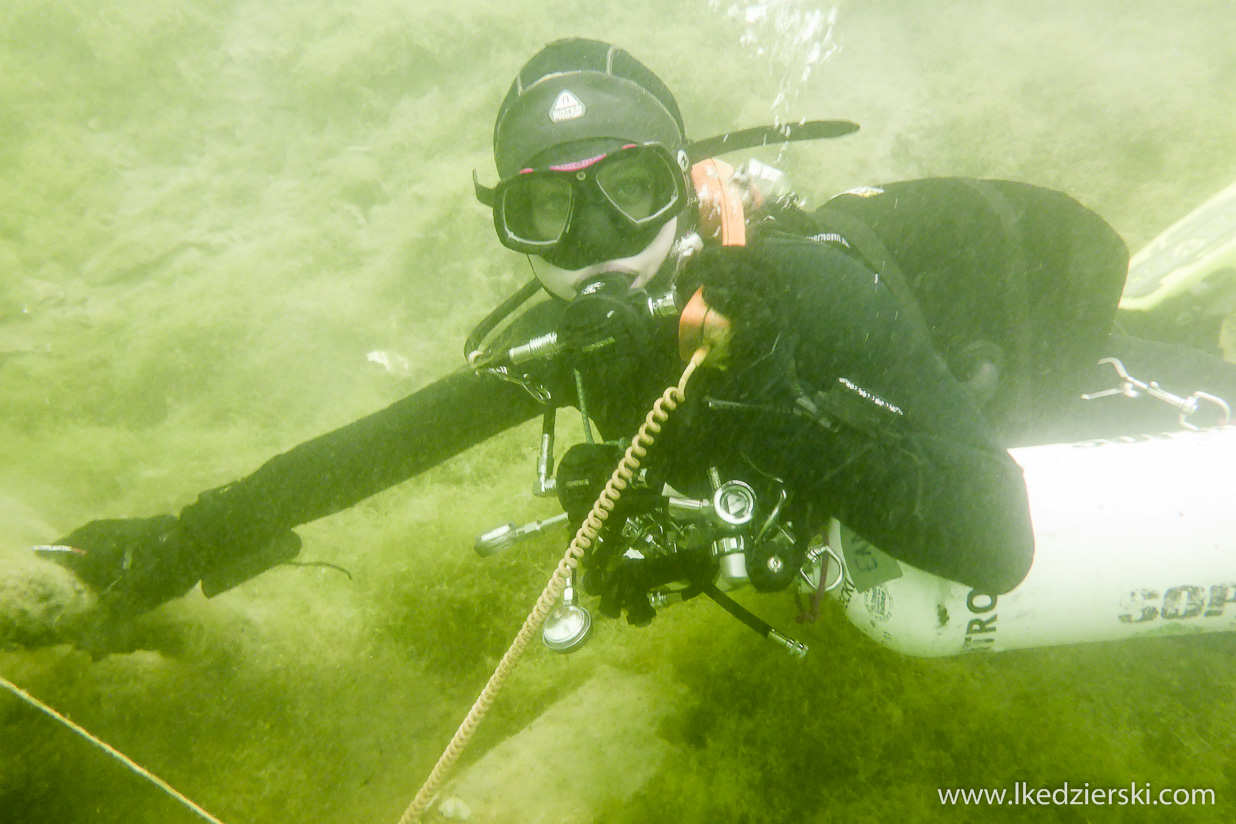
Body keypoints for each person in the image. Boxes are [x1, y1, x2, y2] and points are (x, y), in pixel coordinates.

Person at [37, 38, 1236, 634]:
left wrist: (762, 390)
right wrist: (189, 538)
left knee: (1125, 402)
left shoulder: (802, 285)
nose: (594, 241)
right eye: (548, 209)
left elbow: (997, 539)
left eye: (629, 191)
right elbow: (391, 441)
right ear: (510, 226)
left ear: (683, 181)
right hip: (923, 320)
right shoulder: (587, 334)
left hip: (1030, 308)